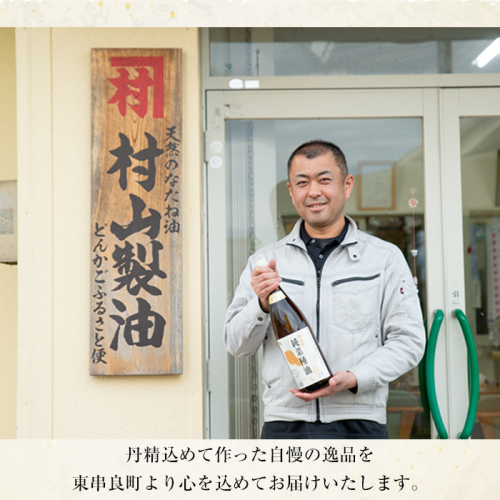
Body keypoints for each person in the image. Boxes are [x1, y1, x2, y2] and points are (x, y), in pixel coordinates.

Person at [224, 139, 426, 439]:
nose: (313, 191)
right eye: (302, 183)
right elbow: (236, 345)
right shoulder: (264, 262)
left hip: (359, 421)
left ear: (347, 185)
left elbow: (409, 341)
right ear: (291, 192)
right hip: (285, 423)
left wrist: (355, 378)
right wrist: (261, 304)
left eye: (324, 180)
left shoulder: (384, 258)